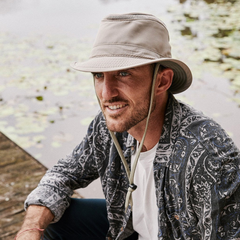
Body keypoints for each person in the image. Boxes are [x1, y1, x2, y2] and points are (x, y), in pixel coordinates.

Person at [15, 13, 240, 240]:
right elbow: (63, 175)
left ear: (162, 81)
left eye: (123, 73)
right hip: (129, 230)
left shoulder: (210, 157)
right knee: (54, 220)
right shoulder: (106, 128)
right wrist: (30, 229)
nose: (107, 93)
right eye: (99, 75)